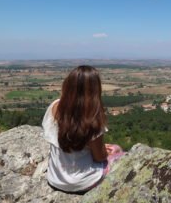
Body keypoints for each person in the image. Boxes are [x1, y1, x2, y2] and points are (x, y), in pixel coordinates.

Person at [42, 65, 124, 193]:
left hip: (55, 179)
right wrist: (106, 151)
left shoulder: (54, 107)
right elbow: (99, 157)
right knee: (118, 150)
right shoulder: (91, 117)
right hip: (82, 181)